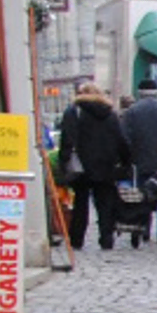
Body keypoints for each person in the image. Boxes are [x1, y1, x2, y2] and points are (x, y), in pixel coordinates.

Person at [53, 83, 131, 252]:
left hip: (81, 166)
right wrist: (125, 161)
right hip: (106, 165)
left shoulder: (74, 112)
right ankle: (106, 238)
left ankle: (77, 239)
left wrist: (64, 162)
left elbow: (67, 139)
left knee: (80, 203)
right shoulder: (110, 114)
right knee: (105, 204)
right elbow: (120, 139)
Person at [119, 83, 157, 244]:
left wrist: (128, 158)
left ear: (140, 94)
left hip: (139, 161)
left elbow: (124, 138)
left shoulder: (131, 113)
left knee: (141, 195)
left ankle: (143, 228)